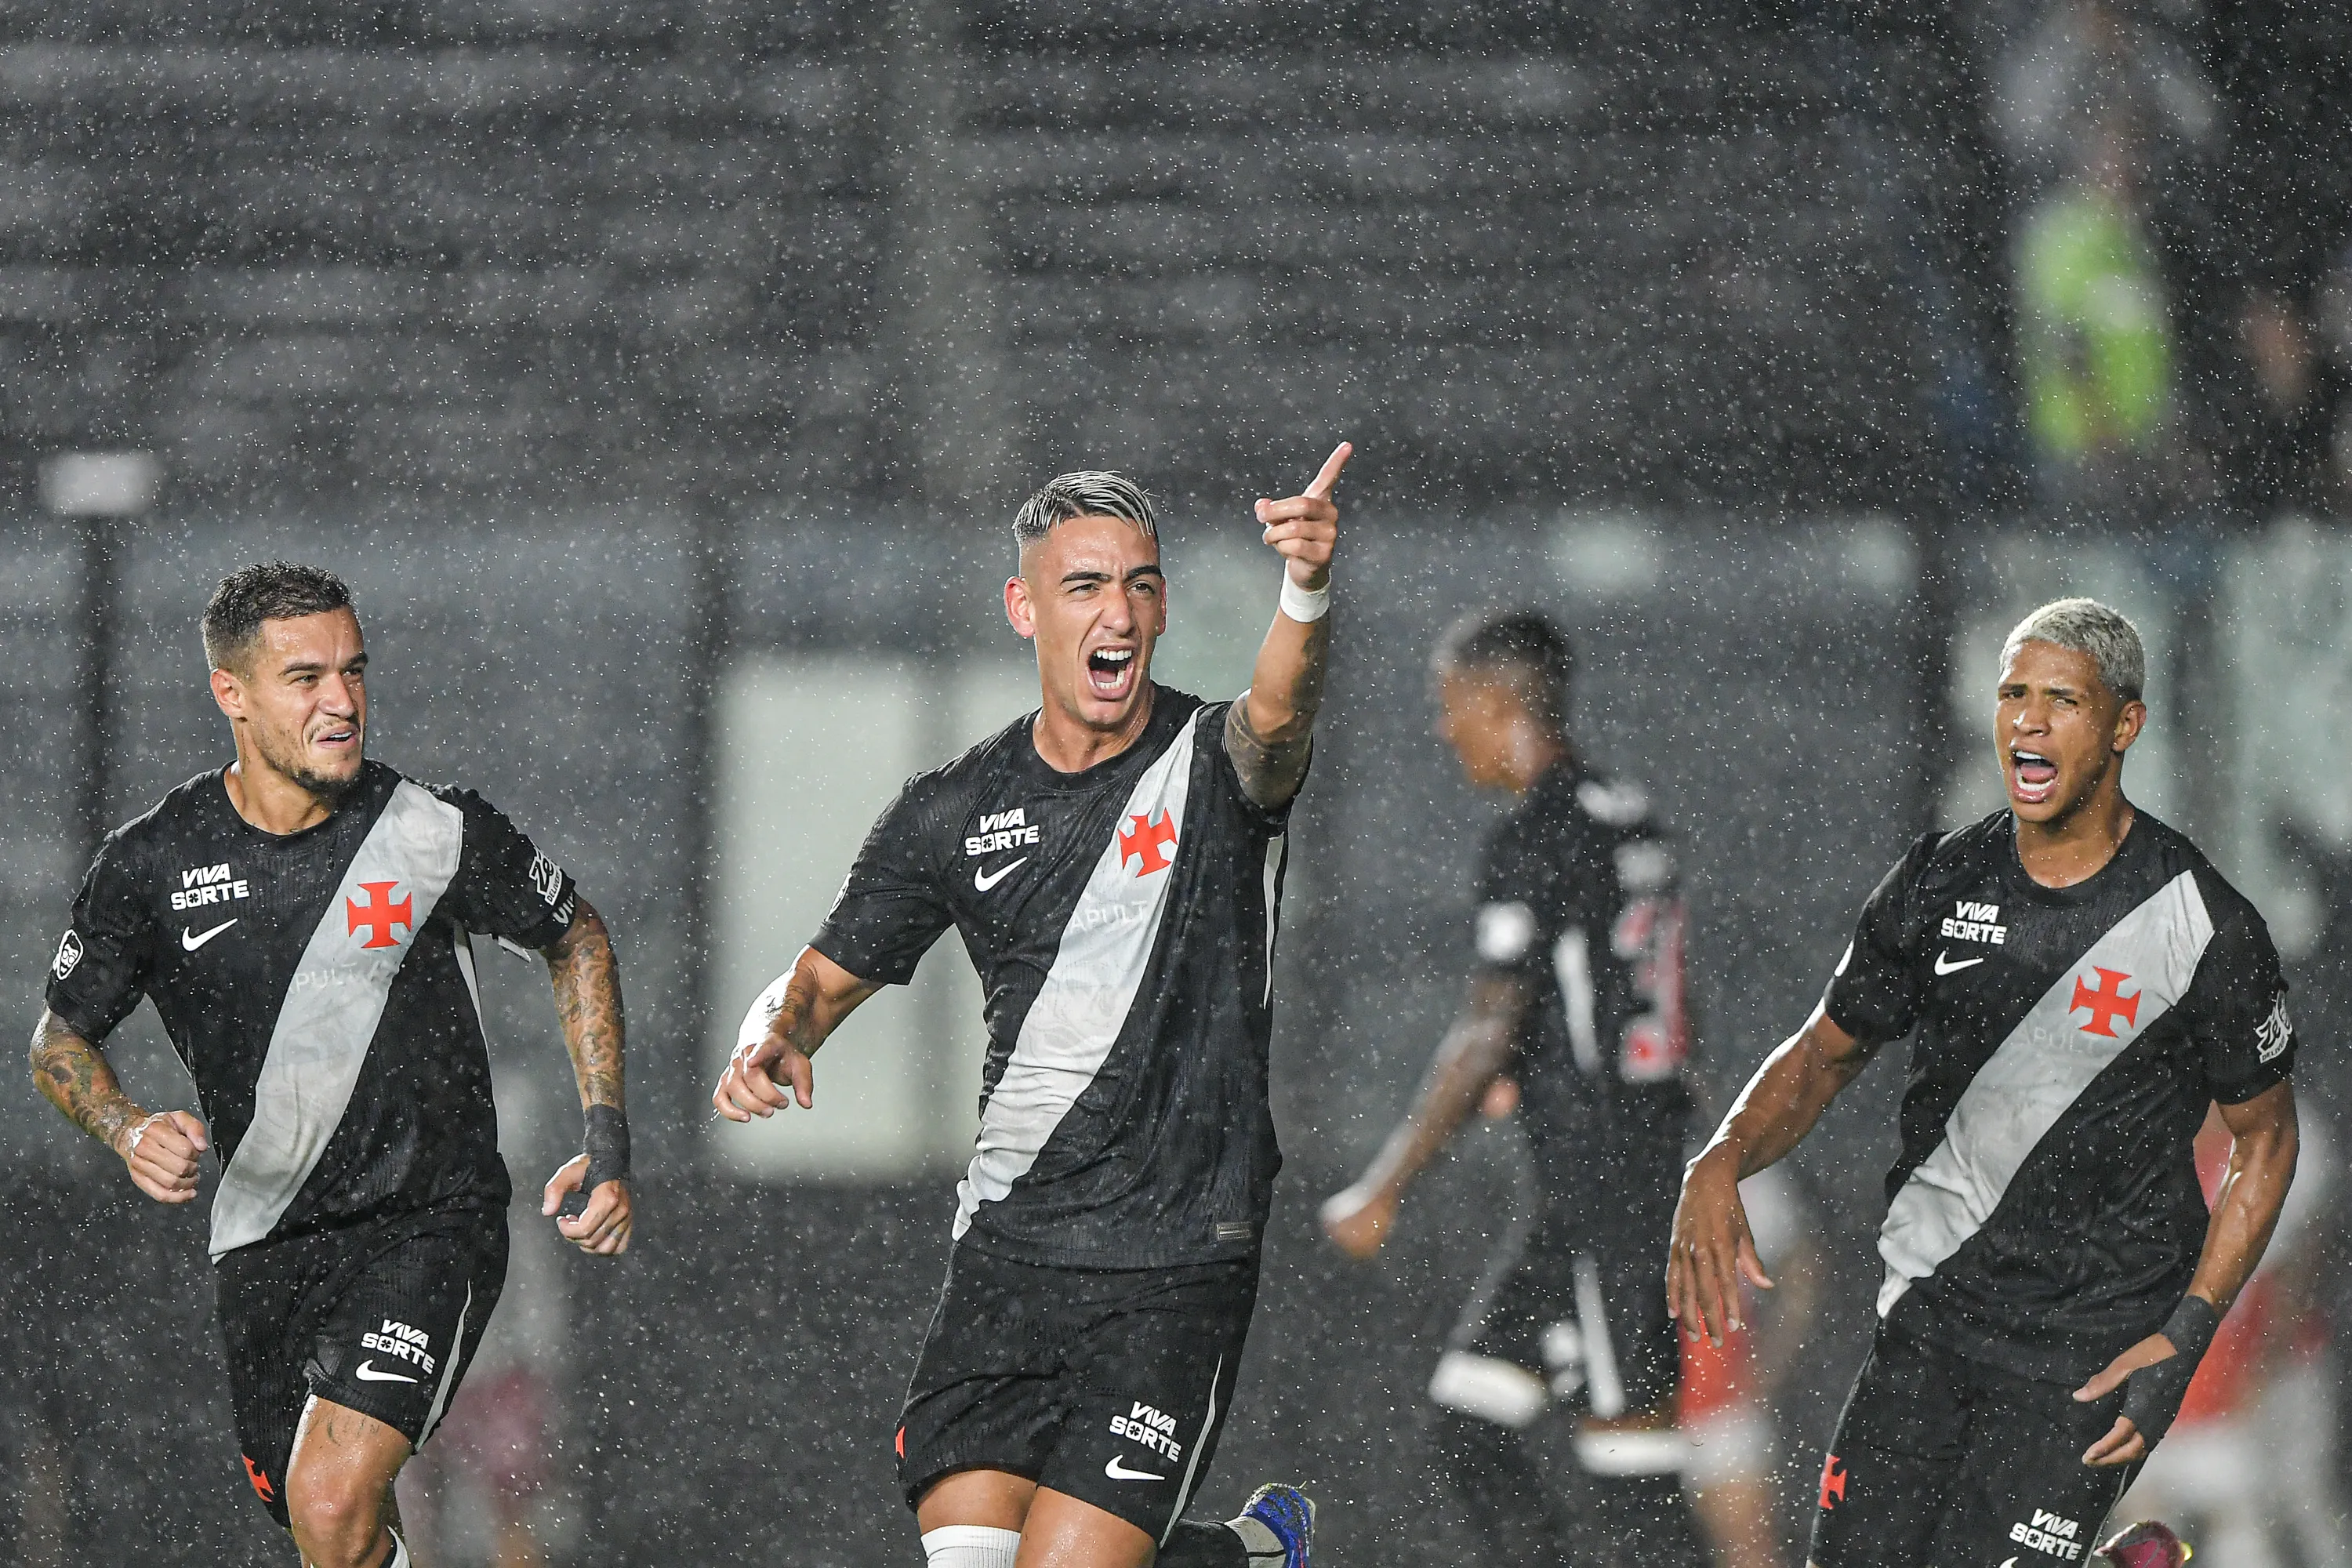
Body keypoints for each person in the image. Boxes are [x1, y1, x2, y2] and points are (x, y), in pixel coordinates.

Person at [713, 451, 1352, 1568]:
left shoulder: (1214, 767)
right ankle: (1243, 1557)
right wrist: (773, 1041)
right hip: (1010, 1250)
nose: (1120, 611)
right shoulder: (950, 811)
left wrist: (1304, 588)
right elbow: (823, 977)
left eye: (1141, 585)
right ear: (1025, 609)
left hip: (1174, 1258)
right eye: (1086, 586)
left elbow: (1281, 720)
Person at [1669, 597, 2301, 1568]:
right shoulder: (1936, 882)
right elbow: (1821, 1054)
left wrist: (2187, 1331)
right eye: (2013, 694)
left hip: (2087, 1352)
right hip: (1927, 1327)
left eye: (2062, 699)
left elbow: (2266, 1136)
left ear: (2125, 723)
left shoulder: (2205, 924)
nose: (2029, 721)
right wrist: (1723, 1158)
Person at [30, 563, 633, 1568]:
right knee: (331, 1531)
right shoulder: (152, 864)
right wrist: (126, 1124)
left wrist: (605, 1134)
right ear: (232, 693)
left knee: (331, 1492)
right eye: (305, 677)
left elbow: (577, 935)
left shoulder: (435, 832)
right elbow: (58, 1040)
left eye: (354, 670)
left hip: (429, 1224)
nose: (343, 700)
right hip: (263, 1242)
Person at [1320, 608, 1706, 1568]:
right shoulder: (1630, 813)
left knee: (1637, 1480)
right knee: (1469, 1425)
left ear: (1496, 702)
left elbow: (1488, 1024)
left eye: (1450, 705)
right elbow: (1623, 996)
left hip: (1609, 1190)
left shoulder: (1534, 835)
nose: (1444, 729)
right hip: (1605, 1180)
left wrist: (1386, 1184)